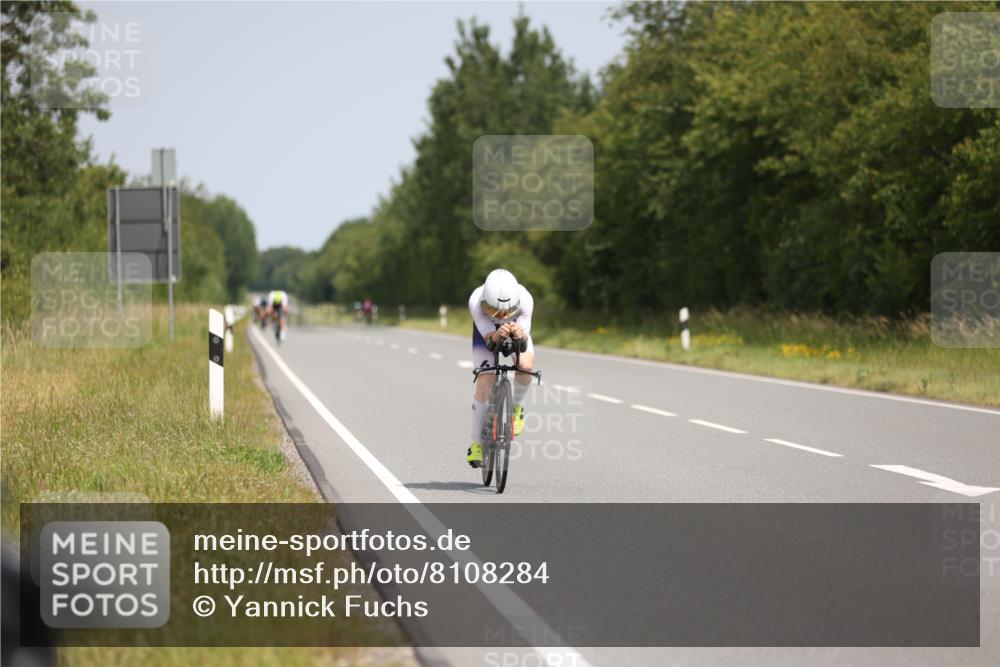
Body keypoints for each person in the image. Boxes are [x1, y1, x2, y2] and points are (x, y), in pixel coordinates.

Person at [466, 269, 534, 467]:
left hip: (515, 329)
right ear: (484, 302)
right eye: (494, 310)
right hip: (487, 335)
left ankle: (517, 407)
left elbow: (522, 345)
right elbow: (490, 342)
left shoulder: (526, 299)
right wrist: (496, 335)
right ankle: (475, 445)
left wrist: (519, 335)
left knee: (525, 366)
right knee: (485, 378)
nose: (501, 315)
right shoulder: (475, 301)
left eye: (507, 311)